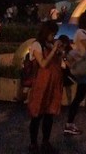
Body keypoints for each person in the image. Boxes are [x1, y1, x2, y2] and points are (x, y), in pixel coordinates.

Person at [27, 21, 64, 154]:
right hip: (42, 83)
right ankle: (33, 143)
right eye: (52, 34)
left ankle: (46, 142)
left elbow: (59, 62)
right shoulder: (37, 45)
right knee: (37, 114)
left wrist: (59, 52)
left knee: (49, 114)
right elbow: (43, 63)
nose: (53, 36)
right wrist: (53, 50)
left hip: (52, 84)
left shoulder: (50, 44)